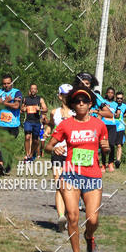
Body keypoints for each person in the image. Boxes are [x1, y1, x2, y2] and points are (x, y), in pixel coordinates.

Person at [45, 85, 109, 252]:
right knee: (72, 217)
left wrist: (106, 148)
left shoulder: (99, 124)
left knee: (93, 219)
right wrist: (54, 148)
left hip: (92, 176)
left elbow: (105, 147)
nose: (81, 104)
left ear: (90, 104)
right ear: (73, 105)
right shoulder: (66, 125)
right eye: (77, 101)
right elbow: (48, 146)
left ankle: (89, 236)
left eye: (85, 101)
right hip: (70, 175)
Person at [49, 83, 74, 232]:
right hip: (57, 153)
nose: (68, 98)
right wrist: (51, 142)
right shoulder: (54, 112)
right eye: (65, 95)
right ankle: (60, 217)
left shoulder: (78, 112)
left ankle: (70, 215)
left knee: (70, 187)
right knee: (59, 184)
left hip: (73, 154)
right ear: (60, 96)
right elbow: (50, 127)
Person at [0, 74, 23, 175]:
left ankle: (8, 163)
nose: (6, 85)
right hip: (0, 123)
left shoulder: (17, 93)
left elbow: (16, 106)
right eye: (4, 84)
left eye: (8, 83)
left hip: (13, 125)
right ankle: (1, 163)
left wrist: (4, 103)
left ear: (12, 83)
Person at [21, 83, 48, 162]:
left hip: (36, 122)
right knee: (27, 137)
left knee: (35, 140)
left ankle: (31, 154)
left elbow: (46, 109)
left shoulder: (40, 99)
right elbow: (22, 109)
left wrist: (39, 109)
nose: (33, 90)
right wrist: (24, 109)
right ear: (30, 90)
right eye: (32, 89)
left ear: (37, 90)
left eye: (34, 89)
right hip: (28, 121)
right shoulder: (26, 99)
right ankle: (27, 155)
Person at [98, 87, 118, 172]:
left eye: (112, 93)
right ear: (106, 93)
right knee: (103, 145)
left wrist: (117, 114)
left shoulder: (115, 104)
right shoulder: (103, 102)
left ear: (114, 94)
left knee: (112, 144)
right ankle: (103, 164)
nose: (110, 94)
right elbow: (100, 112)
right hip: (104, 125)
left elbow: (117, 115)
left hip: (113, 126)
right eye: (109, 92)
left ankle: (110, 163)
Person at [113, 90, 126, 168]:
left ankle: (118, 161)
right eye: (118, 98)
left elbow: (123, 114)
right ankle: (110, 161)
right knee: (111, 145)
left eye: (121, 98)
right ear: (115, 98)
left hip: (121, 127)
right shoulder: (112, 104)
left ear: (123, 98)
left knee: (119, 145)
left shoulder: (124, 105)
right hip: (112, 126)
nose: (119, 100)